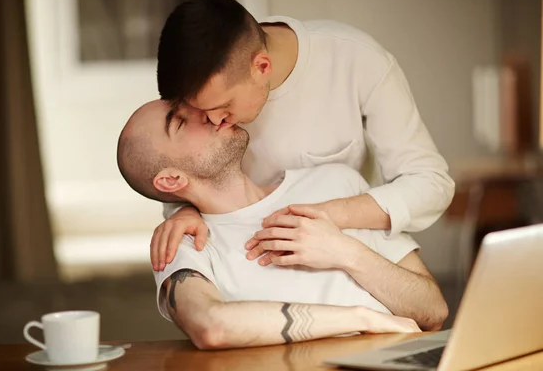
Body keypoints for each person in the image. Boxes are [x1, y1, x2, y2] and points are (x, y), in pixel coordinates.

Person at [151, 0, 455, 272]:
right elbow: (176, 161)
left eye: (224, 107)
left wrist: (323, 216)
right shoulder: (201, 82)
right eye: (200, 113)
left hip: (344, 258)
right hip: (246, 261)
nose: (214, 122)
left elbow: (431, 183)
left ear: (262, 66)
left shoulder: (357, 60)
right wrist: (184, 210)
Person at [117, 100, 448, 350]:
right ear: (172, 178)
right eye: (181, 122)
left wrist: (345, 252)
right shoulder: (183, 242)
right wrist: (361, 318)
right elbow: (210, 326)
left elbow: (433, 310)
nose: (206, 112)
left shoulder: (338, 183)